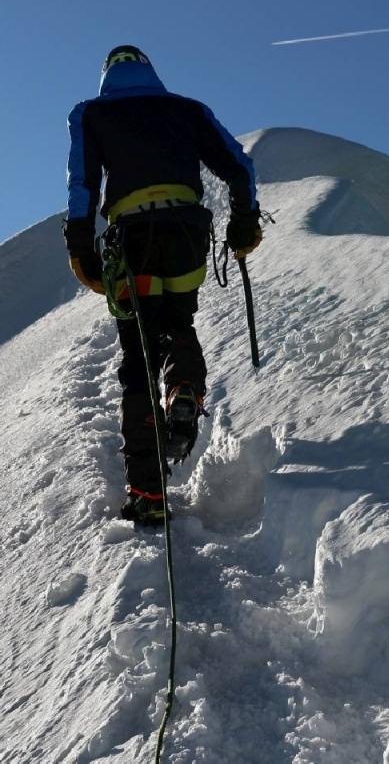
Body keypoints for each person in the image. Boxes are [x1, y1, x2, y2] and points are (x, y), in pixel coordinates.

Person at [64, 45, 262, 526]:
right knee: (177, 322)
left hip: (131, 240)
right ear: (150, 72)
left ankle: (148, 493)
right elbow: (240, 166)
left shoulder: (91, 115)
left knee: (137, 354)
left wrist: (80, 247)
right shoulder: (188, 111)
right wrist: (244, 222)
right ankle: (184, 389)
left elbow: (82, 185)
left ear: (106, 77)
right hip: (187, 235)